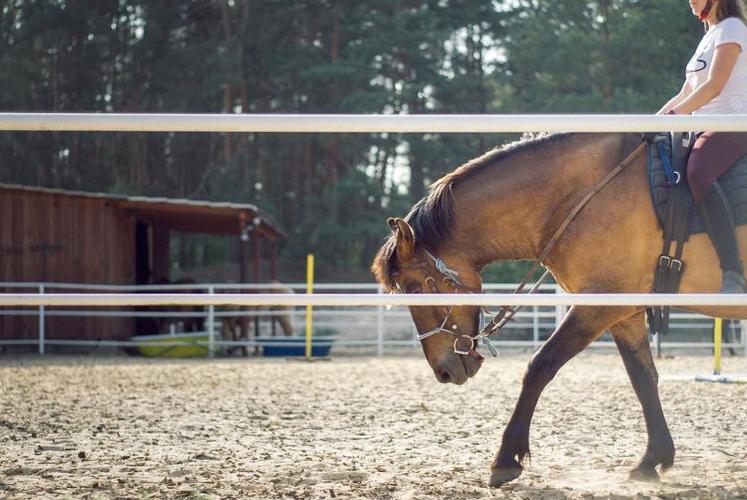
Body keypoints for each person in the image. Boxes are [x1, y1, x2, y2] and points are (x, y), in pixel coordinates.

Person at [658, 0, 747, 293]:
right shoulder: (708, 36)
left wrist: (674, 117)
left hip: (732, 124)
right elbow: (687, 91)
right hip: (701, 126)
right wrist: (652, 122)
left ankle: (733, 271)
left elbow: (714, 86)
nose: (690, 1)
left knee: (698, 171)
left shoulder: (732, 29)